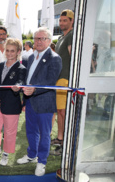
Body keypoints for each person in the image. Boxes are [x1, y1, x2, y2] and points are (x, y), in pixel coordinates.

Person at [16, 27, 62, 176]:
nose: (39, 41)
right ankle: (31, 155)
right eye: (36, 38)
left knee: (44, 134)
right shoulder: (30, 56)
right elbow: (27, 78)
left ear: (49, 41)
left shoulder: (54, 58)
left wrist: (34, 90)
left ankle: (42, 161)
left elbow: (50, 81)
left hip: (44, 102)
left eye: (42, 38)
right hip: (30, 101)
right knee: (31, 131)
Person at [0, 38, 26, 166]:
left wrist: (18, 87)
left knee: (9, 131)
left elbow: (20, 82)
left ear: (18, 52)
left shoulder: (21, 68)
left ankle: (6, 153)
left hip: (11, 104)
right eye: (7, 50)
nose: (9, 53)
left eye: (12, 51)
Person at [50, 10, 74, 155]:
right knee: (59, 111)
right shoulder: (60, 38)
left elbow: (73, 58)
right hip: (58, 80)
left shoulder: (72, 36)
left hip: (65, 79)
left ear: (71, 21)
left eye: (65, 20)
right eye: (60, 20)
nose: (62, 23)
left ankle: (64, 143)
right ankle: (60, 138)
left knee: (63, 112)